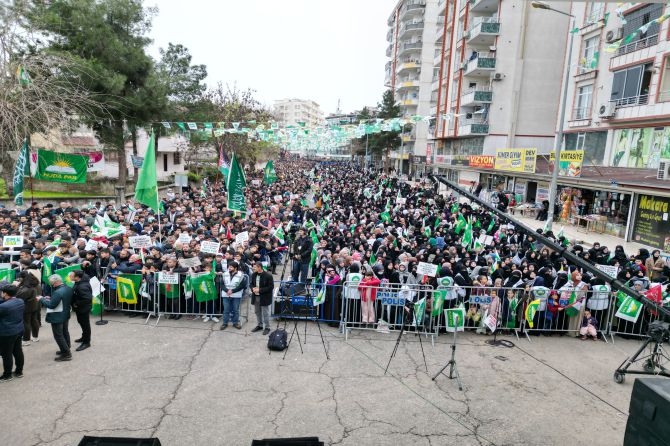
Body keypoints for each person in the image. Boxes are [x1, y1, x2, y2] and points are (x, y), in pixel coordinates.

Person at [37, 275, 73, 361]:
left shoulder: (57, 292)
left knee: (58, 335)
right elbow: (60, 300)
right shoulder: (68, 288)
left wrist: (41, 299)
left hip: (58, 316)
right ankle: (66, 348)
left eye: (52, 284)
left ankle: (66, 354)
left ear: (56, 282)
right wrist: (51, 298)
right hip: (65, 313)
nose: (51, 285)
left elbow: (51, 305)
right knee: (65, 332)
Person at [0, 285, 25, 381]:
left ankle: (7, 375)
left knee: (6, 354)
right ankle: (19, 371)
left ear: (5, 293)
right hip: (18, 330)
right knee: (18, 351)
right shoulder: (20, 301)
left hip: (6, 333)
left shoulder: (3, 307)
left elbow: (4, 306)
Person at [71, 270, 93, 351]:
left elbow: (87, 298)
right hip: (80, 308)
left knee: (85, 325)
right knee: (81, 322)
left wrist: (76, 303)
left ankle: (87, 342)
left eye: (72, 275)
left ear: (77, 277)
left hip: (83, 308)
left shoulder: (82, 286)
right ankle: (84, 337)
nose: (70, 276)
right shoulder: (79, 283)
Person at [16, 271, 40, 346]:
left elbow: (18, 295)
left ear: (23, 278)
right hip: (35, 305)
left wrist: (16, 286)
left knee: (26, 323)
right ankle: (35, 337)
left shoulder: (27, 287)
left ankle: (26, 340)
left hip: (27, 306)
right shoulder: (35, 283)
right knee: (34, 321)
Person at [220, 261, 245, 330]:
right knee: (226, 310)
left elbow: (242, 285)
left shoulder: (241, 275)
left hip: (236, 295)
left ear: (235, 268)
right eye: (229, 267)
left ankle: (235, 323)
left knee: (235, 310)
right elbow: (221, 284)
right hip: (226, 294)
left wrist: (232, 291)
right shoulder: (225, 274)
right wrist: (227, 290)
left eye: (231, 267)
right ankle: (225, 323)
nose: (229, 268)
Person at [250, 262, 274, 335]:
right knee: (257, 312)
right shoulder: (253, 274)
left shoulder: (268, 275)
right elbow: (251, 283)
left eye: (255, 267)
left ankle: (267, 327)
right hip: (256, 296)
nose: (253, 268)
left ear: (260, 267)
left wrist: (260, 290)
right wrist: (252, 288)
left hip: (264, 297)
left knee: (265, 312)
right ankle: (259, 325)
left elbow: (271, 287)